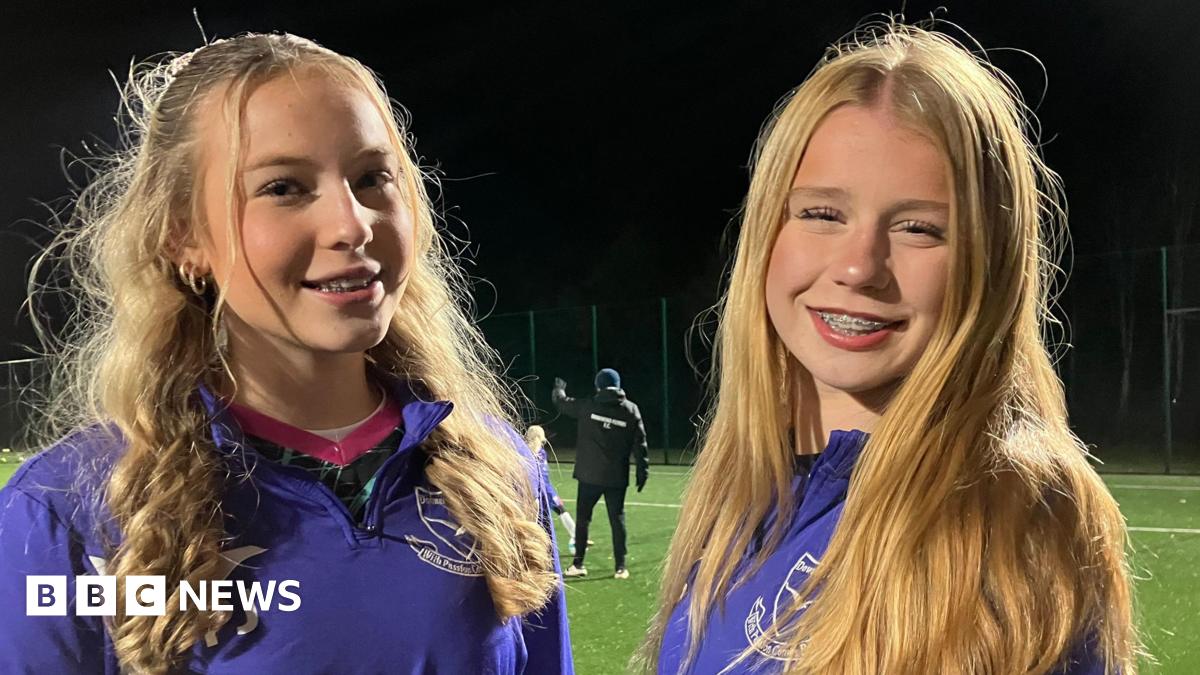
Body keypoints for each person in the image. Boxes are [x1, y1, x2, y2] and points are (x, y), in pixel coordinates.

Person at [0, 33, 571, 674]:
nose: (353, 225)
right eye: (284, 188)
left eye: (372, 178)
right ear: (183, 236)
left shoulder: (497, 475)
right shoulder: (65, 512)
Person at [638, 22, 1137, 675]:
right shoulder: (745, 494)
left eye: (918, 227)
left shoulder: (1019, 524)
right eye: (822, 213)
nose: (858, 266)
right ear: (768, 233)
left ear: (989, 264)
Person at [552, 369, 648, 579]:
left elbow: (563, 403)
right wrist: (643, 471)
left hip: (589, 476)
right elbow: (640, 444)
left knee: (583, 520)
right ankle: (620, 567)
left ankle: (578, 564)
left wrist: (558, 389)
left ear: (598, 386)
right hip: (616, 477)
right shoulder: (630, 410)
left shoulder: (589, 407)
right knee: (617, 520)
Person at [524, 424, 591, 555]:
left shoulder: (538, 452)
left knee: (555, 511)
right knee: (544, 517)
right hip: (540, 489)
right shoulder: (531, 452)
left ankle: (575, 536)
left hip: (543, 488)